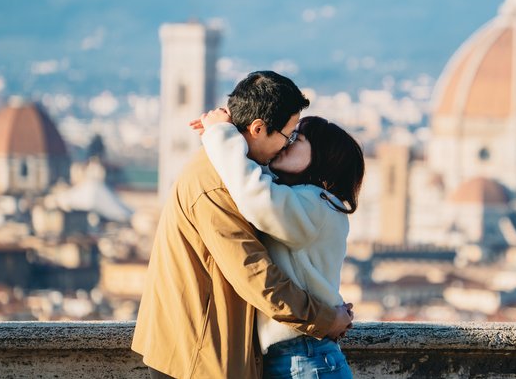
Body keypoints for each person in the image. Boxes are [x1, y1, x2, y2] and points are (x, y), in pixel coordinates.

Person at [132, 71, 353, 379]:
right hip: (200, 355)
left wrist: (220, 133)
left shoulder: (231, 173)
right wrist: (326, 319)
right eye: (288, 136)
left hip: (203, 349)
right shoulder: (217, 184)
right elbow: (255, 275)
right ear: (259, 128)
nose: (286, 145)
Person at [194, 108, 363, 379]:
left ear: (323, 156)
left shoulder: (316, 204)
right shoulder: (308, 203)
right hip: (302, 356)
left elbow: (255, 196)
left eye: (298, 140)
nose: (286, 142)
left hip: (305, 358)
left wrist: (221, 136)